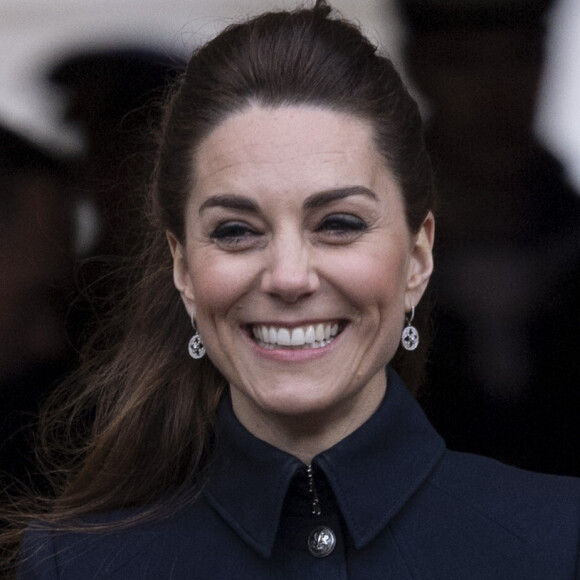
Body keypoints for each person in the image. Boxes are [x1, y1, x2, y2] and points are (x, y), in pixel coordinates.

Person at [5, 2, 580, 578]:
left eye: (339, 224)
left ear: (417, 257)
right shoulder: (74, 563)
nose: (288, 277)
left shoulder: (560, 540)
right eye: (236, 231)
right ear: (182, 268)